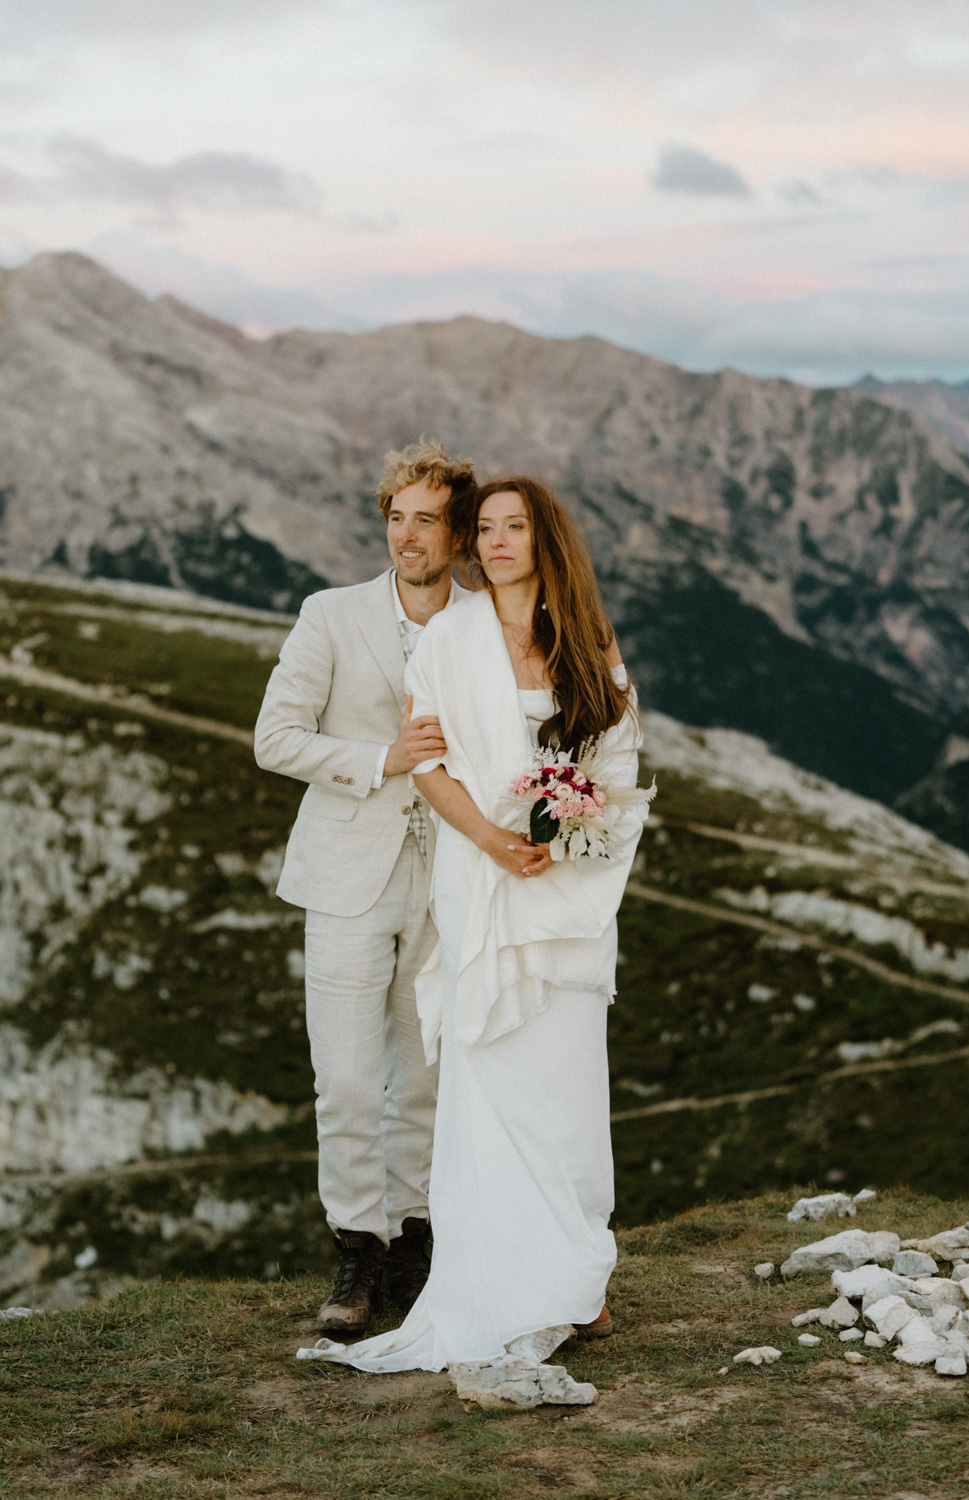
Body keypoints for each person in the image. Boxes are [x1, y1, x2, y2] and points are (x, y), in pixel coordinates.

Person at [299, 476, 647, 1375]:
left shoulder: (587, 639)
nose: (496, 542)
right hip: (480, 871)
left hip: (567, 885)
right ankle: (485, 1270)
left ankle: (578, 1273)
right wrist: (495, 837)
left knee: (567, 1082)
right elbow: (429, 762)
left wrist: (578, 824)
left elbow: (614, 754)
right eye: (485, 529)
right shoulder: (451, 638)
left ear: (544, 540)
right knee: (489, 1077)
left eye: (513, 527)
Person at [254, 438, 475, 1335]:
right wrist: (380, 760)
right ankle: (356, 1253)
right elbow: (275, 738)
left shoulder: (482, 621)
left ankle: (416, 1246)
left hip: (451, 879)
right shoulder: (329, 615)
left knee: (424, 1081)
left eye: (426, 520)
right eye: (396, 517)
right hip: (346, 877)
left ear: (457, 534)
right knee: (345, 1079)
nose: (406, 535)